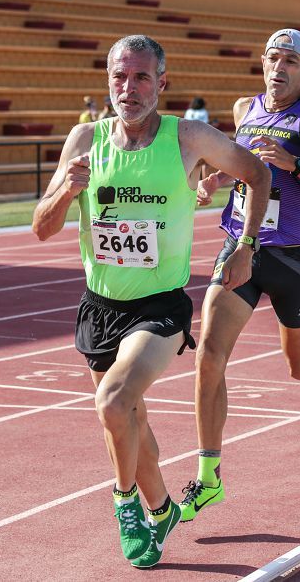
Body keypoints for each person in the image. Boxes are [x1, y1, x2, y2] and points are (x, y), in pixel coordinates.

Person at [32, 35, 271, 568]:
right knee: (134, 430)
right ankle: (161, 508)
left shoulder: (188, 137)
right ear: (107, 81)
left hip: (160, 306)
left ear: (162, 83)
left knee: (114, 403)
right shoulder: (83, 140)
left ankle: (126, 508)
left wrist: (246, 246)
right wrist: (64, 193)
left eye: (141, 77)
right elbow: (41, 228)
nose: (129, 88)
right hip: (100, 306)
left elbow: (257, 173)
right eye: (120, 77)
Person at [179, 28, 300, 523]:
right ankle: (208, 474)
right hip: (242, 247)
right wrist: (214, 180)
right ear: (261, 63)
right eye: (272, 58)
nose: (278, 68)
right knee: (209, 355)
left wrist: (297, 165)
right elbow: (240, 165)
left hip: (292, 260)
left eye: (289, 61)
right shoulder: (244, 109)